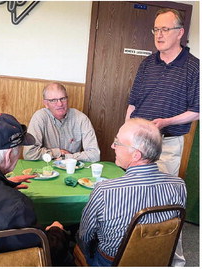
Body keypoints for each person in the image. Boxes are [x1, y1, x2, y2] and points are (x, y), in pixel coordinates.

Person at [0, 113, 72, 266]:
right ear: (9, 155)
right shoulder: (15, 205)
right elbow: (39, 255)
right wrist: (57, 232)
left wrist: (1, 183)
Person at [77, 118, 187, 266]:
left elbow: (85, 236)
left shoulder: (104, 190)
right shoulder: (179, 185)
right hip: (158, 260)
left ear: (136, 155)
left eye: (117, 142)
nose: (112, 146)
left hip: (112, 263)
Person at [125, 8, 199, 177]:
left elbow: (197, 111)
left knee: (159, 194)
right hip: (138, 141)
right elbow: (133, 104)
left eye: (165, 29)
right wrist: (126, 131)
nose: (159, 35)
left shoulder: (194, 67)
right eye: (156, 29)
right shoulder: (147, 64)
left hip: (168, 144)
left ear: (180, 32)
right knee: (134, 189)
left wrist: (166, 122)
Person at [23, 82, 100, 162]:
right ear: (46, 104)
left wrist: (67, 157)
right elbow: (29, 153)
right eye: (53, 100)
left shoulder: (81, 118)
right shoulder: (39, 117)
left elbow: (95, 154)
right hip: (47, 170)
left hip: (73, 169)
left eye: (63, 98)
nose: (60, 104)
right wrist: (58, 152)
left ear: (67, 99)